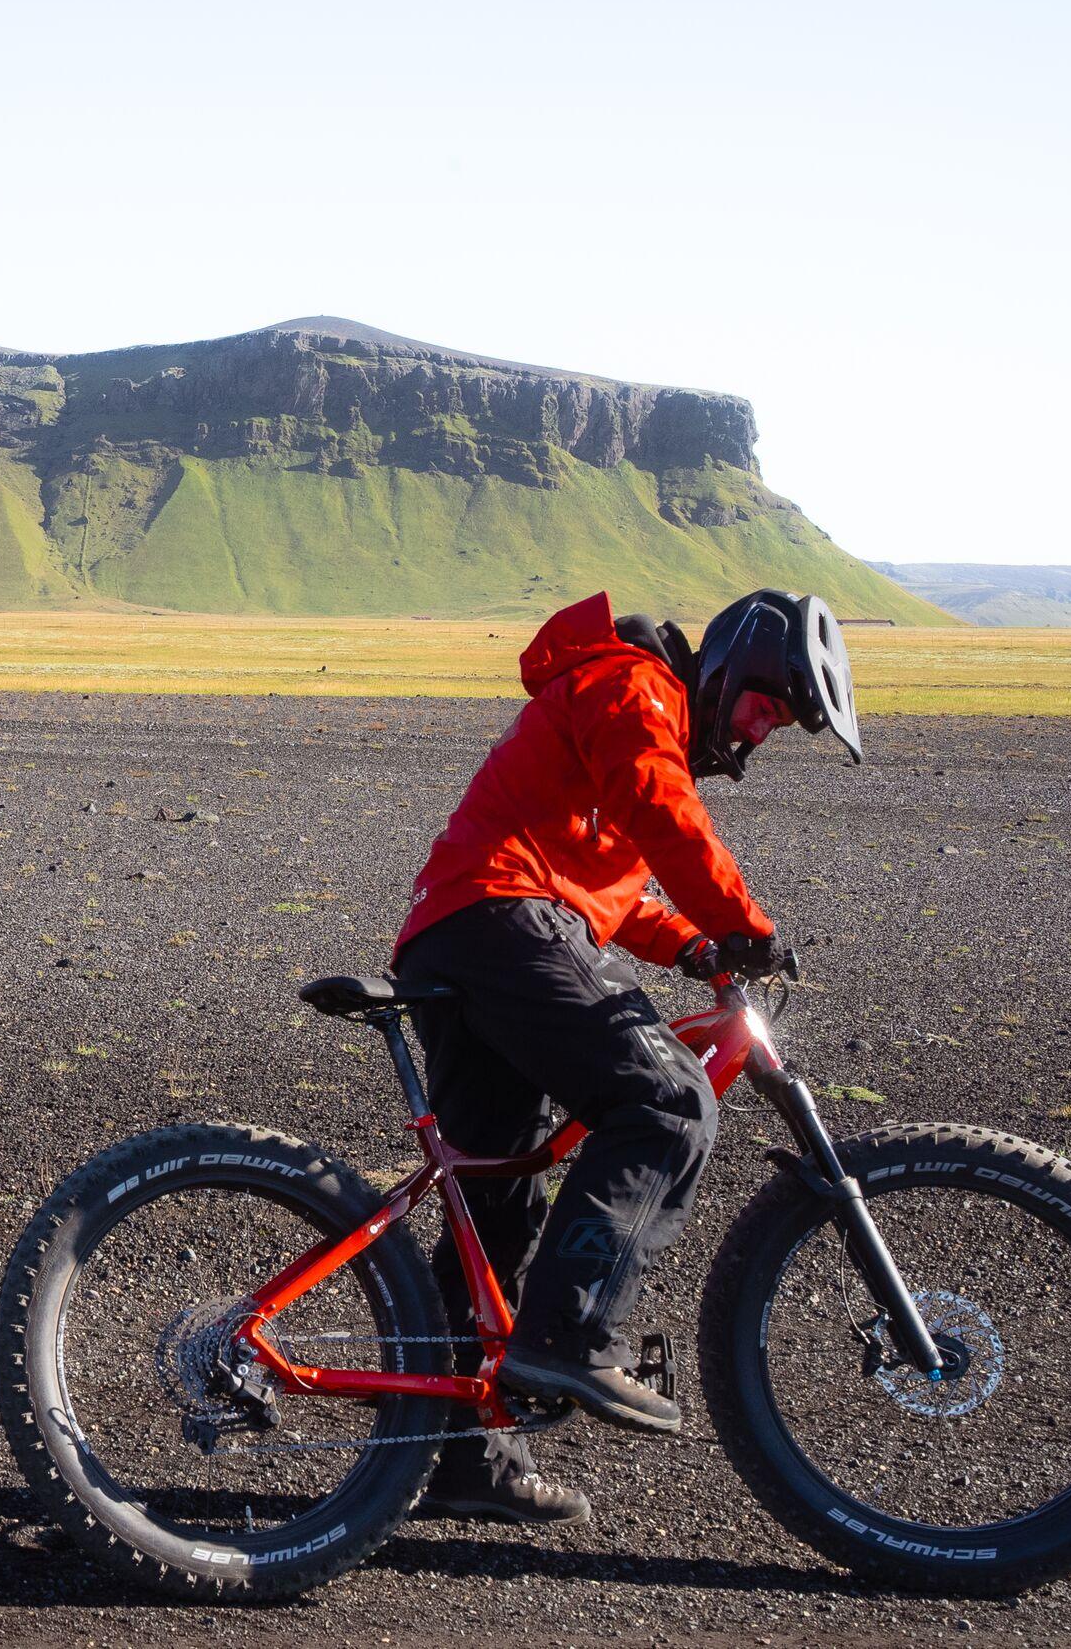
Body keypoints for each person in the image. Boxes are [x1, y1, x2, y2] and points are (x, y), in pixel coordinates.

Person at [393, 588, 862, 1527]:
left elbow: (611, 882)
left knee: (497, 1206)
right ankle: (571, 1336)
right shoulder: (635, 682)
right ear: (729, 672)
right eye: (765, 708)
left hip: (468, 934)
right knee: (670, 1103)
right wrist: (744, 925)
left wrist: (696, 945)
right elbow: (659, 811)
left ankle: (454, 1455)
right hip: (503, 921)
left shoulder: (617, 707)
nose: (760, 735)